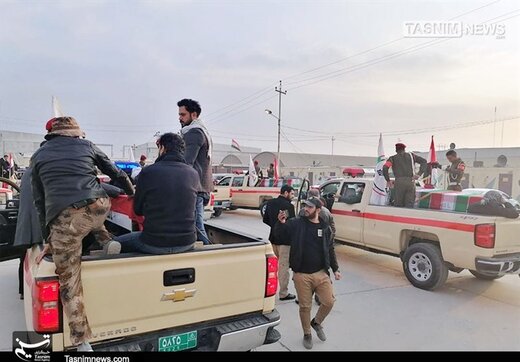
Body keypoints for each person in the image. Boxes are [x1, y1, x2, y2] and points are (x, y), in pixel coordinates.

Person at [31, 116, 135, 352]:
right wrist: (130, 193)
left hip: (68, 218)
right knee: (92, 221)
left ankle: (82, 341)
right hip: (99, 206)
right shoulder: (87, 145)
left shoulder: (39, 156)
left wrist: (49, 239)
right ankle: (106, 242)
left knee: (69, 280)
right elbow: (116, 172)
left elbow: (40, 201)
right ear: (75, 133)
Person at [116, 133, 201, 254]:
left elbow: (138, 210)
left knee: (114, 243)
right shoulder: (193, 174)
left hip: (153, 242)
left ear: (162, 148)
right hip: (187, 242)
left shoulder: (148, 172)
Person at [275, 197, 340, 350]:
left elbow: (330, 250)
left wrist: (335, 268)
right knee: (305, 307)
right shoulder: (297, 223)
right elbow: (280, 234)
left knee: (329, 302)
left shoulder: (325, 228)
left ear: (318, 210)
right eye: (305, 206)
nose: (306, 209)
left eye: (310, 207)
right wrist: (280, 223)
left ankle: (316, 323)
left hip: (321, 273)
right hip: (302, 275)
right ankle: (307, 334)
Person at [178, 98, 213, 245]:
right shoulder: (200, 131)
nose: (180, 118)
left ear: (194, 115)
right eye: (179, 114)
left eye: (183, 114)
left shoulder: (193, 133)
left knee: (197, 227)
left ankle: (211, 254)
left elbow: (187, 162)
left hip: (195, 188)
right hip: (200, 187)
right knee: (196, 225)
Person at [262, 185, 296, 301]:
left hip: (273, 239)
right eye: (292, 194)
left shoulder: (270, 203)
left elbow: (265, 219)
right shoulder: (289, 207)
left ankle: (269, 290)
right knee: (283, 267)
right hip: (285, 241)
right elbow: (292, 224)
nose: (293, 196)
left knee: (272, 267)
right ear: (286, 193)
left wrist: (274, 225)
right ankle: (283, 293)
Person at [383, 143, 427, 208]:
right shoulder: (412, 156)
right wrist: (419, 174)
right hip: (410, 182)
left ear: (396, 150)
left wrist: (388, 180)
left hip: (399, 182)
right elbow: (424, 161)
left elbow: (385, 168)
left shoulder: (392, 158)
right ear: (404, 149)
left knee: (398, 204)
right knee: (409, 204)